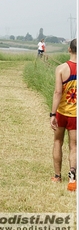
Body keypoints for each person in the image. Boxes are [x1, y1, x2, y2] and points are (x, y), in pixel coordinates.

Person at [50, 38, 77, 192]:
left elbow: (57, 92)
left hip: (62, 112)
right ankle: (72, 175)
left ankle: (57, 176)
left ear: (69, 49)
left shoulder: (61, 68)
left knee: (57, 142)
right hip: (76, 115)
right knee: (74, 146)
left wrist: (52, 114)